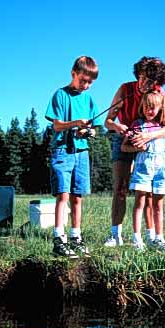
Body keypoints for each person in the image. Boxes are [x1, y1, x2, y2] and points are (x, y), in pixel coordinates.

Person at [104, 57, 165, 247]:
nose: (144, 84)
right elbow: (108, 121)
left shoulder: (161, 95)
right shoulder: (125, 89)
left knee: (149, 193)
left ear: (157, 82)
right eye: (142, 78)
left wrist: (147, 137)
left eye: (151, 81)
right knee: (120, 187)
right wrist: (119, 127)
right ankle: (115, 235)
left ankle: (152, 238)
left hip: (151, 144)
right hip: (125, 138)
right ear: (138, 75)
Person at [45, 55, 99, 258]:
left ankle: (76, 237)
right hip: (62, 151)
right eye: (82, 80)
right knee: (63, 194)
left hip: (81, 152)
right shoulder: (60, 95)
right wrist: (75, 123)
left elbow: (94, 130)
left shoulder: (89, 99)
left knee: (78, 197)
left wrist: (88, 131)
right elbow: (57, 125)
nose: (85, 86)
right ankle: (59, 238)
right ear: (73, 74)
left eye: (90, 83)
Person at [121, 91, 165, 251]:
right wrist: (137, 147)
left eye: (154, 108)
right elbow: (124, 146)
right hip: (143, 168)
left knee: (158, 204)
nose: (150, 111)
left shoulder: (164, 127)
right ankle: (137, 238)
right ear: (142, 107)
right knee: (140, 202)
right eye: (147, 107)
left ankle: (159, 238)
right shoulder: (137, 125)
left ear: (160, 109)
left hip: (162, 169)